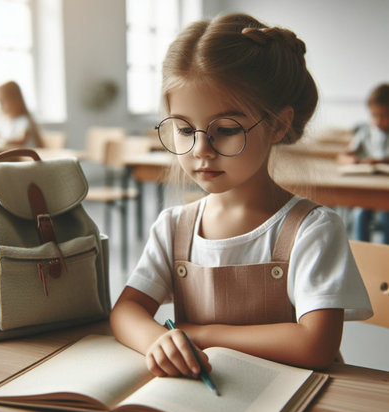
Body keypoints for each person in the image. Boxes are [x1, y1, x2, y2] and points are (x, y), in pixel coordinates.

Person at [110, 13, 372, 377]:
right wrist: (158, 340)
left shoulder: (312, 229)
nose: (201, 148)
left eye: (227, 129)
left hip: (296, 405)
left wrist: (201, 334)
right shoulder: (174, 227)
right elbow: (126, 311)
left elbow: (316, 346)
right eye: (185, 129)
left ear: (277, 124)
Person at [338, 83, 389, 244]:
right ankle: (361, 255)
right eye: (374, 115)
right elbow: (343, 155)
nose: (379, 121)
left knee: (385, 214)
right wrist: (351, 160)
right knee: (360, 213)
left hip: (386, 193)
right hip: (367, 188)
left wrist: (381, 161)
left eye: (384, 115)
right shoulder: (365, 131)